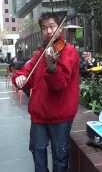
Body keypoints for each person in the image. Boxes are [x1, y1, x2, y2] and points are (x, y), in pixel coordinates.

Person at [12, 12, 80, 172]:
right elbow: (25, 72)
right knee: (38, 154)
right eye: (44, 28)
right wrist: (19, 79)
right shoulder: (39, 54)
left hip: (60, 115)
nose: (48, 31)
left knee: (60, 158)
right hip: (39, 115)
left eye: (52, 27)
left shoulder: (69, 52)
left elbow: (59, 85)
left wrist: (52, 68)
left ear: (60, 28)